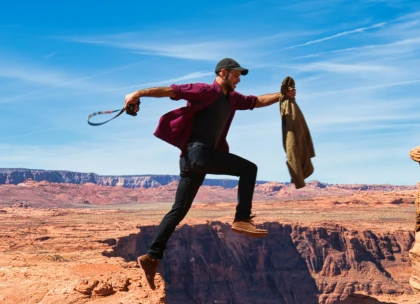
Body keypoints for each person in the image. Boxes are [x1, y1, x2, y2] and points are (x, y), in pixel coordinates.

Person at [125, 58, 296, 290]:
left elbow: (257, 101)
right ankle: (242, 219)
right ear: (223, 73)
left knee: (179, 210)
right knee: (249, 169)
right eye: (236, 75)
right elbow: (169, 90)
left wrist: (282, 96)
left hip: (190, 160)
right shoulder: (206, 90)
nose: (239, 79)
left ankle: (151, 257)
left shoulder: (232, 98)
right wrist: (137, 94)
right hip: (198, 154)